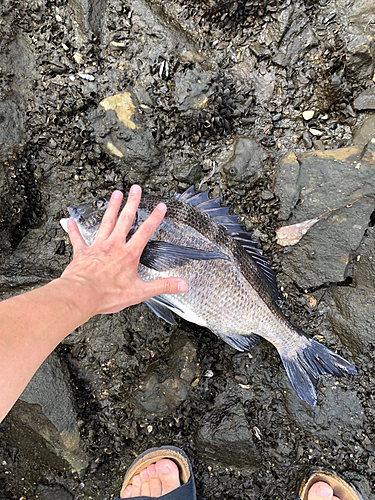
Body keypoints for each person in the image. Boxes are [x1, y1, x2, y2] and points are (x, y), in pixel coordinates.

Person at [0, 186, 362, 500]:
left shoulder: (153, 240)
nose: (85, 212)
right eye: (100, 208)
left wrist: (83, 288)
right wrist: (82, 289)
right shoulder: (150, 236)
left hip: (236, 308)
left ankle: (292, 344)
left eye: (97, 207)